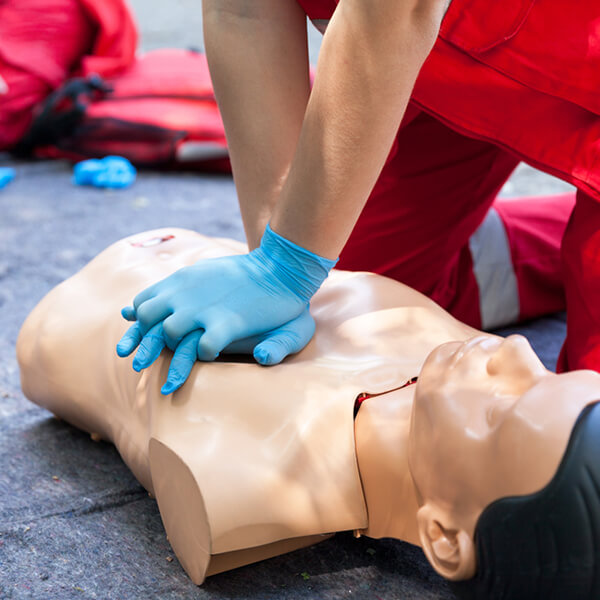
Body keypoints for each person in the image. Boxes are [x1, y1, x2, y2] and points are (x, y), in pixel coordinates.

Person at [18, 230, 600, 597]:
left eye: (505, 410)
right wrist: (279, 264)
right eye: (550, 376)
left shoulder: (249, 478)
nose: (521, 352)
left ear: (443, 537)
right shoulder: (460, 360)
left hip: (67, 315)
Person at [116, 0, 600, 393]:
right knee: (355, 303)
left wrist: (287, 267)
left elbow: (396, 8)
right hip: (440, 61)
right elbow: (241, 12)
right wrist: (274, 266)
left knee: (584, 444)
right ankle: (556, 237)